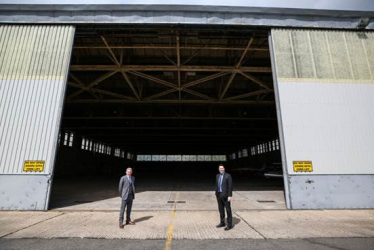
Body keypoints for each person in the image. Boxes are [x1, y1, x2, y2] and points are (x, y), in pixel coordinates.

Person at [215, 164, 233, 230]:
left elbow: (230, 187)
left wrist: (229, 196)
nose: (221, 169)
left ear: (224, 169)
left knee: (228, 210)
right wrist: (216, 193)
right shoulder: (217, 176)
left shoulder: (228, 176)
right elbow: (217, 185)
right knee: (221, 210)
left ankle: (229, 224)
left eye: (222, 168)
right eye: (220, 168)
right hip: (219, 195)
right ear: (218, 169)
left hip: (226, 196)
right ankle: (222, 223)